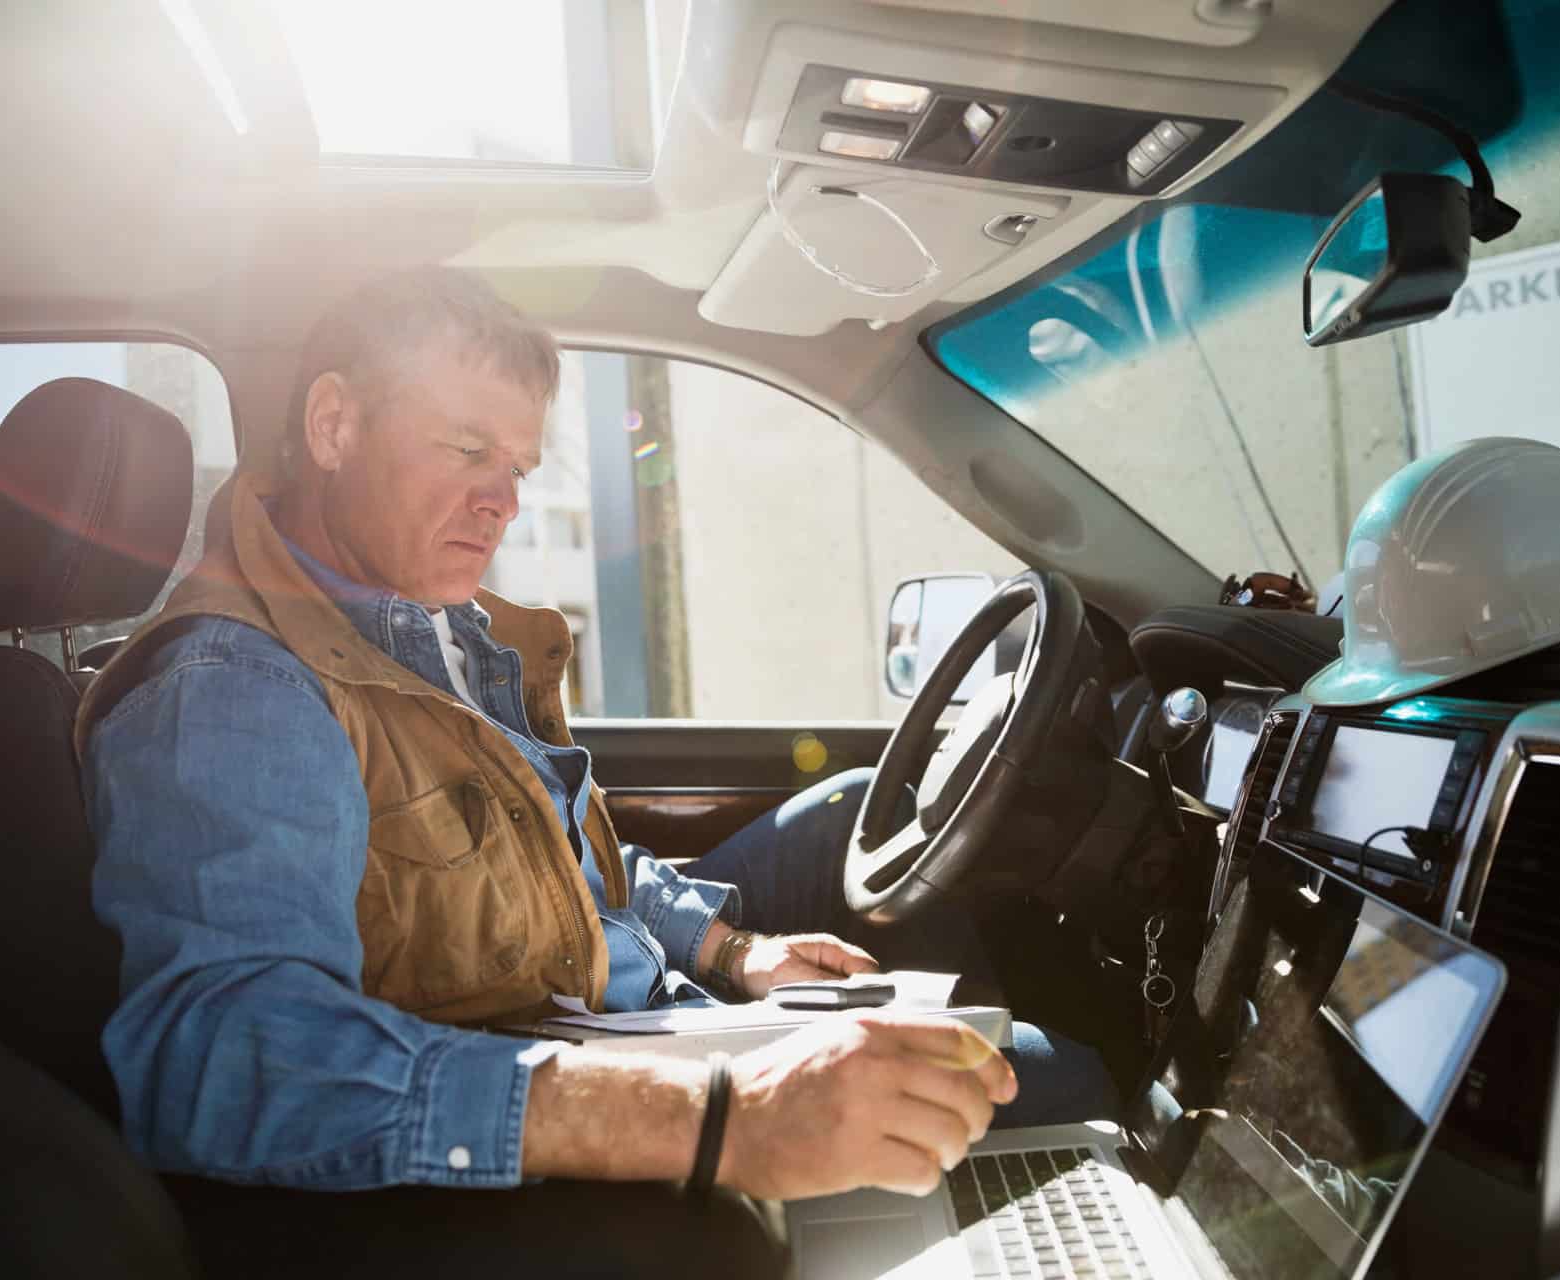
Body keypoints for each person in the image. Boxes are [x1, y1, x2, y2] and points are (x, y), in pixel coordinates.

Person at [77, 267, 1113, 1208]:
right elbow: (222, 1054)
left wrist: (735, 951)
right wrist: (723, 1116)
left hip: (626, 1008)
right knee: (1059, 1074)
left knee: (849, 809)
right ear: (335, 425)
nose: (503, 503)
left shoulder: (432, 625)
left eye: (518, 467)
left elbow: (568, 863)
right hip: (561, 1099)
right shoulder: (236, 688)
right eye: (468, 450)